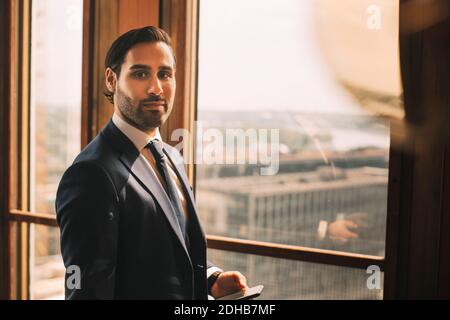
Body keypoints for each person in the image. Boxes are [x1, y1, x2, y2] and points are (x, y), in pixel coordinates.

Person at [56, 26, 248, 300]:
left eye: (165, 74)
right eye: (141, 73)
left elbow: (164, 251)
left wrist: (211, 280)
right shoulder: (90, 174)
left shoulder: (172, 157)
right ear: (111, 80)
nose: (156, 87)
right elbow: (87, 291)